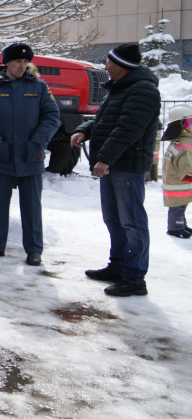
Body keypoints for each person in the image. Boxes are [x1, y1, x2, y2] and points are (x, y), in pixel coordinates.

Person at [70, 43, 161, 297]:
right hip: (113, 164)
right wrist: (83, 130)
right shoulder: (122, 88)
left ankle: (134, 278)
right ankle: (118, 266)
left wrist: (104, 159)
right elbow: (104, 120)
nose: (105, 66)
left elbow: (128, 129)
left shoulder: (143, 90)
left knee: (132, 222)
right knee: (114, 219)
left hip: (126, 166)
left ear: (121, 65)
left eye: (109, 62)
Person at [0, 43, 60, 266]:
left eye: (25, 62)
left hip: (31, 155)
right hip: (3, 154)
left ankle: (34, 249)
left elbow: (52, 117)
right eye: (17, 62)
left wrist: (38, 141)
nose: (22, 66)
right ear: (7, 63)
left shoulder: (39, 87)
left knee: (31, 205)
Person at [161, 104, 192, 238]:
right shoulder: (184, 144)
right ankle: (175, 227)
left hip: (176, 183)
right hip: (179, 184)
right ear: (182, 125)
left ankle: (181, 225)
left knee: (180, 206)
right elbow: (186, 165)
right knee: (177, 207)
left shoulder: (178, 141)